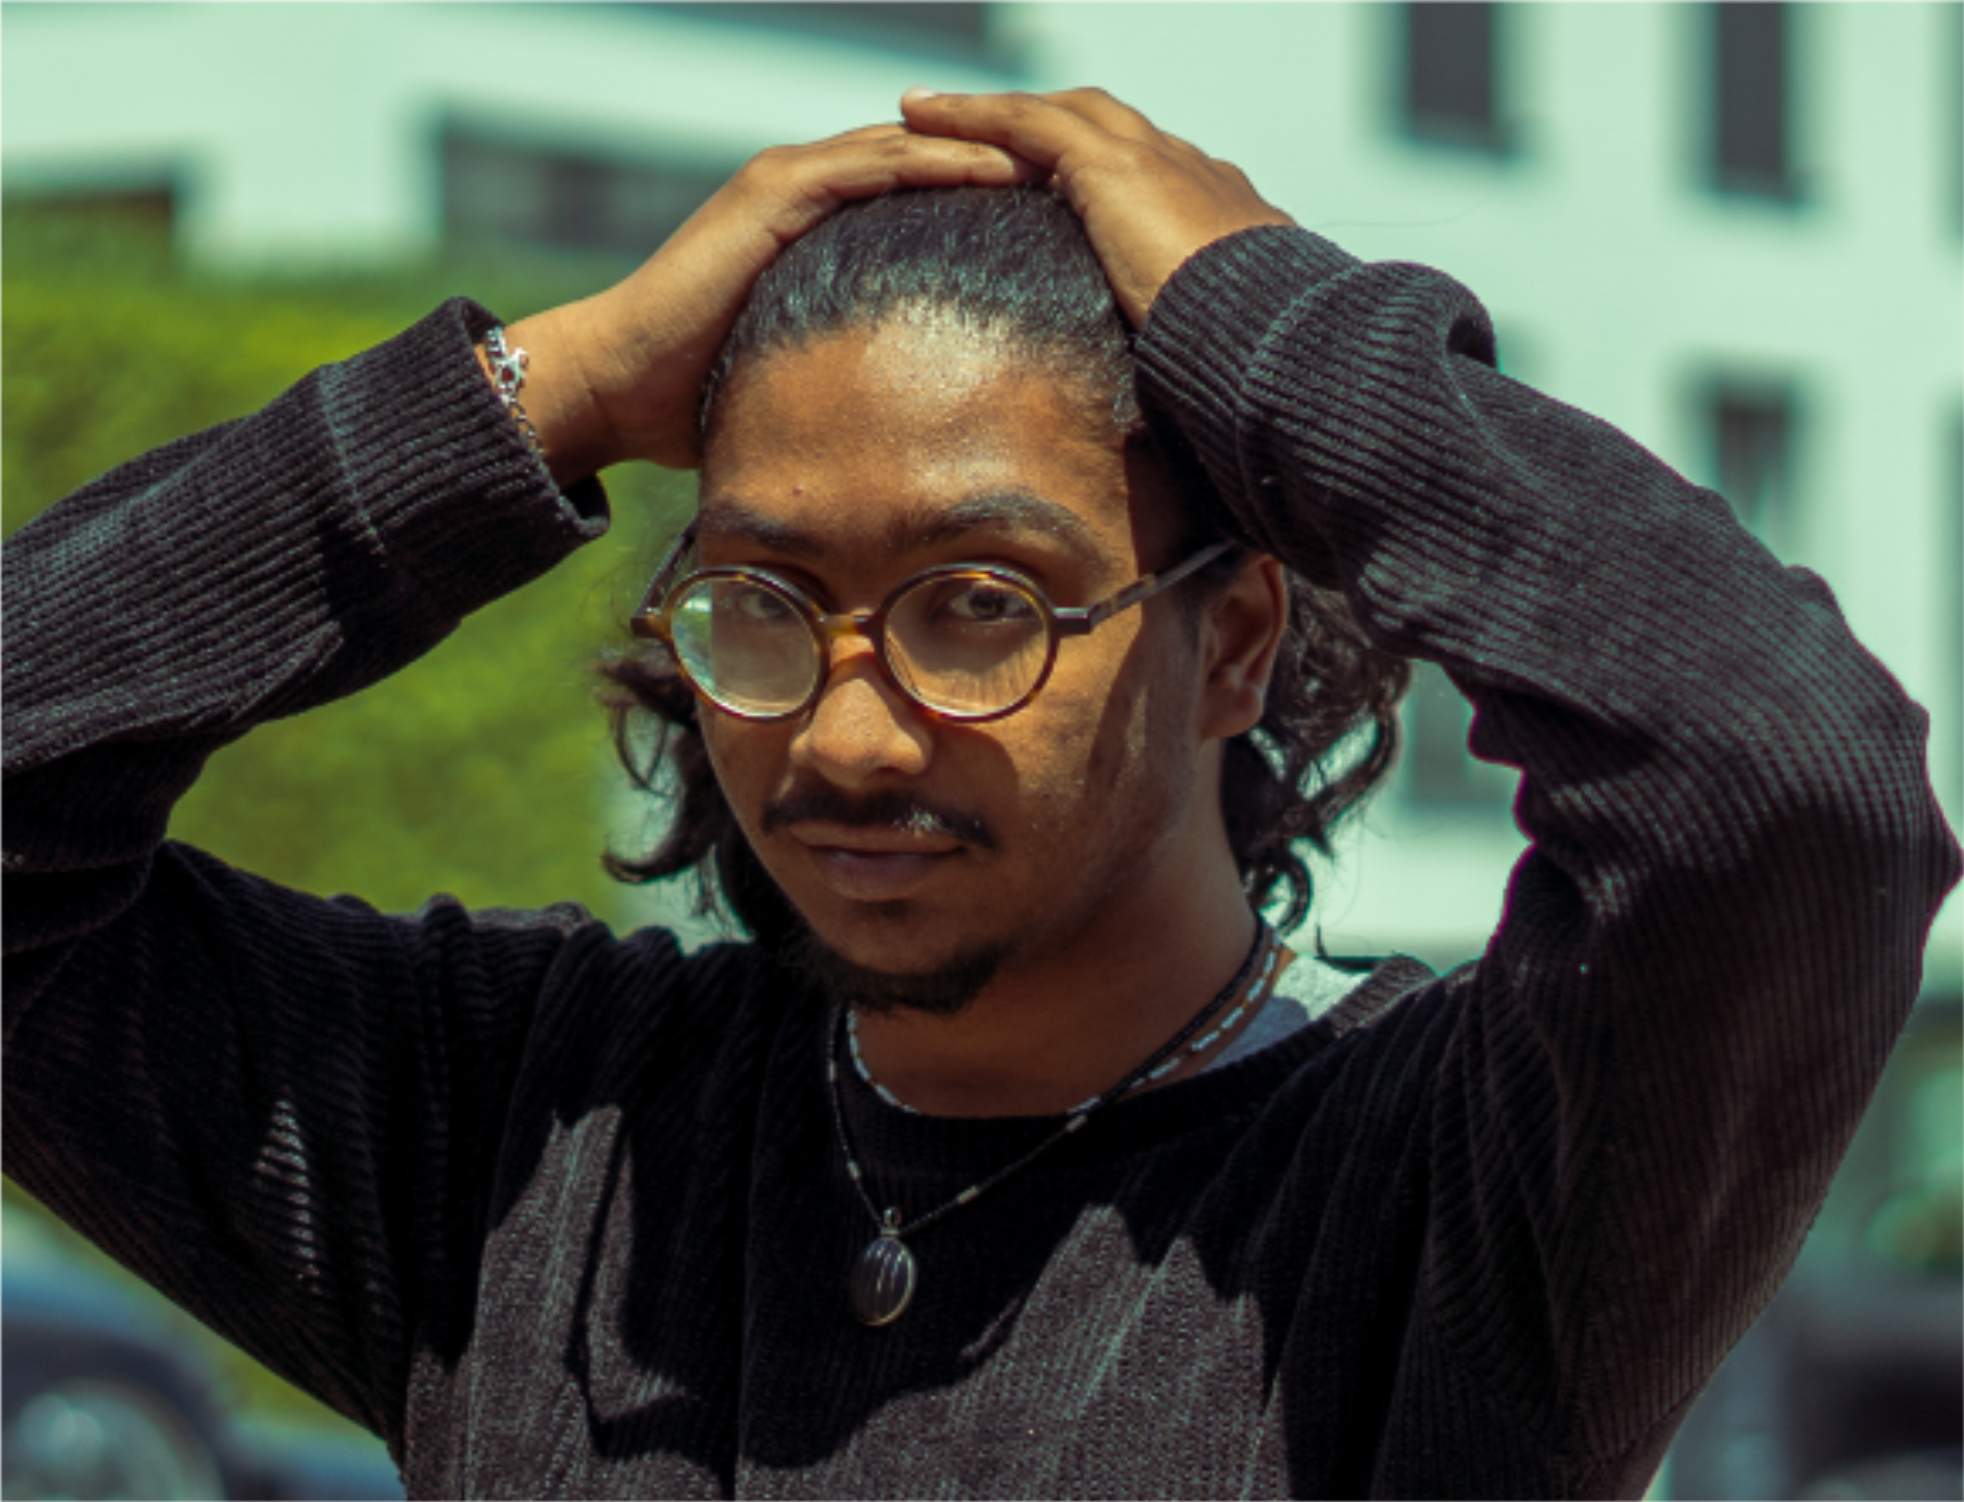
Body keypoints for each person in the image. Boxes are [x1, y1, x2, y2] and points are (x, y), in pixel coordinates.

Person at [0, 87, 1952, 1500]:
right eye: (765, 603)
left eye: (980, 607)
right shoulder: (524, 1143)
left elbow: (1782, 780)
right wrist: (540, 392)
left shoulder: (1459, 1209)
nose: (848, 735)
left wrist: (1273, 330)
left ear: (1236, 639)